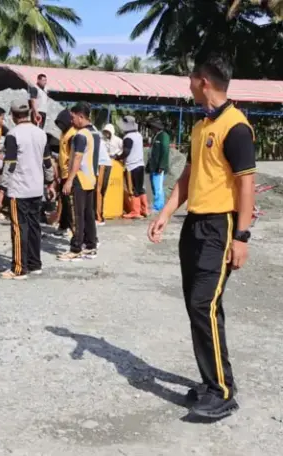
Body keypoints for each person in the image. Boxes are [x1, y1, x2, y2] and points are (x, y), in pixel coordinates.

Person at [148, 55, 255, 420]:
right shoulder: (200, 127)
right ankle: (214, 383)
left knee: (202, 304)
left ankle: (222, 391)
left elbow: (246, 184)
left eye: (190, 78)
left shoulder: (235, 127)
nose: (188, 83)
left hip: (220, 227)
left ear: (204, 81)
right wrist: (165, 214)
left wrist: (241, 236)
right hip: (194, 225)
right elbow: (187, 179)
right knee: (202, 307)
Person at [0, 98, 48, 279]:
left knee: (19, 228)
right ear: (27, 114)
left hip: (19, 188)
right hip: (36, 188)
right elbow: (47, 162)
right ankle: (35, 263)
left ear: (12, 115)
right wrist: (50, 183)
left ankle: (19, 267)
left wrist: (2, 187)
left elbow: (10, 164)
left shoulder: (13, 134)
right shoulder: (41, 133)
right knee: (35, 227)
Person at [58, 102, 99, 262]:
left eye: (73, 117)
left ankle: (76, 247)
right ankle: (90, 245)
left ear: (81, 117)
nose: (71, 121)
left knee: (77, 214)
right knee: (88, 214)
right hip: (89, 179)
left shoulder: (80, 135)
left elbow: (77, 157)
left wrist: (69, 180)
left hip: (80, 179)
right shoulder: (92, 133)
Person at [117, 115, 149, 219]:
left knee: (133, 189)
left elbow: (126, 151)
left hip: (132, 166)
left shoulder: (128, 138)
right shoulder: (138, 135)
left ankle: (135, 211)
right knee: (140, 188)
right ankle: (145, 210)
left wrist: (118, 157)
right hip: (140, 164)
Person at [54, 109, 76, 238]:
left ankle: (75, 234)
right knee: (64, 200)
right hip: (63, 173)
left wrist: (70, 178)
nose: (60, 126)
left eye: (62, 123)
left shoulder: (72, 134)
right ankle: (63, 225)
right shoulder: (64, 133)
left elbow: (74, 156)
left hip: (69, 174)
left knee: (70, 204)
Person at [146, 119, 171, 212]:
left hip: (159, 167)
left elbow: (165, 151)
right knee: (154, 186)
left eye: (153, 127)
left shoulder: (163, 136)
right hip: (154, 166)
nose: (151, 129)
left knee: (158, 187)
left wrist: (162, 166)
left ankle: (158, 206)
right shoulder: (156, 136)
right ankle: (157, 204)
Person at [95, 124, 113, 226]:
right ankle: (99, 216)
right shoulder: (98, 138)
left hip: (102, 165)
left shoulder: (93, 138)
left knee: (98, 191)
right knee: (101, 191)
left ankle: (99, 218)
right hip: (106, 164)